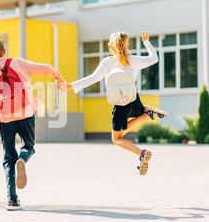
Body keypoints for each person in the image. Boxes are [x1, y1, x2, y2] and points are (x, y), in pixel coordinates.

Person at [0, 38, 63, 210]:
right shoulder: (17, 63)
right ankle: (23, 159)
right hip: (25, 113)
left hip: (4, 118)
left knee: (9, 158)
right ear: (4, 51)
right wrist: (56, 75)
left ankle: (12, 200)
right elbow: (44, 68)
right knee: (29, 146)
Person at [68, 31, 168, 176]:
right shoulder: (133, 60)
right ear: (127, 44)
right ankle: (146, 115)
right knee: (120, 134)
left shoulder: (108, 62)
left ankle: (142, 153)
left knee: (116, 139)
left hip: (120, 104)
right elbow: (154, 58)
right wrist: (146, 41)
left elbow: (92, 78)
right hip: (134, 99)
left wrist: (71, 85)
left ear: (111, 46)